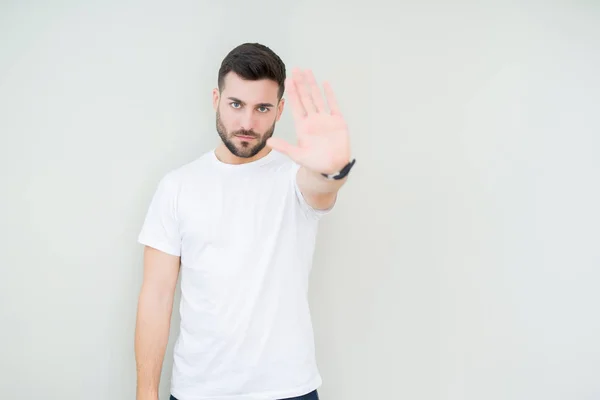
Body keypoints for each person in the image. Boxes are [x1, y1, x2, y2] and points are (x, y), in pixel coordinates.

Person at [134, 42, 355, 400]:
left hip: (287, 390)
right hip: (199, 391)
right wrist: (146, 393)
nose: (247, 123)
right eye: (236, 104)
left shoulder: (295, 179)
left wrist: (333, 169)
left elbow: (323, 187)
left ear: (279, 110)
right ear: (216, 99)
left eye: (262, 108)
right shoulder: (177, 186)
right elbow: (156, 297)